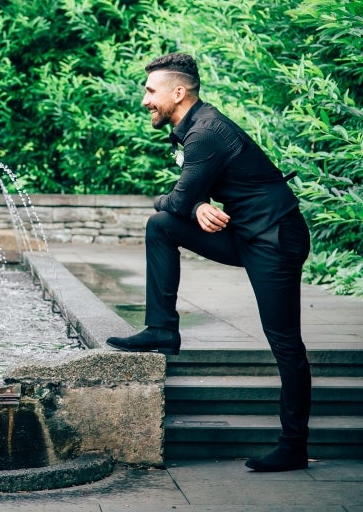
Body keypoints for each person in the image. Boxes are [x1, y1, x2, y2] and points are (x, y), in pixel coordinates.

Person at [106, 52, 312, 473]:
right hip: (245, 235)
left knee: (285, 344)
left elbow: (177, 197)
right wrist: (197, 203)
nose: (145, 100)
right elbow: (191, 194)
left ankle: (293, 446)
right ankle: (163, 329)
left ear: (178, 92)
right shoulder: (191, 128)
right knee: (162, 226)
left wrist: (187, 202)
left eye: (150, 91)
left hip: (275, 239)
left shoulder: (206, 132)